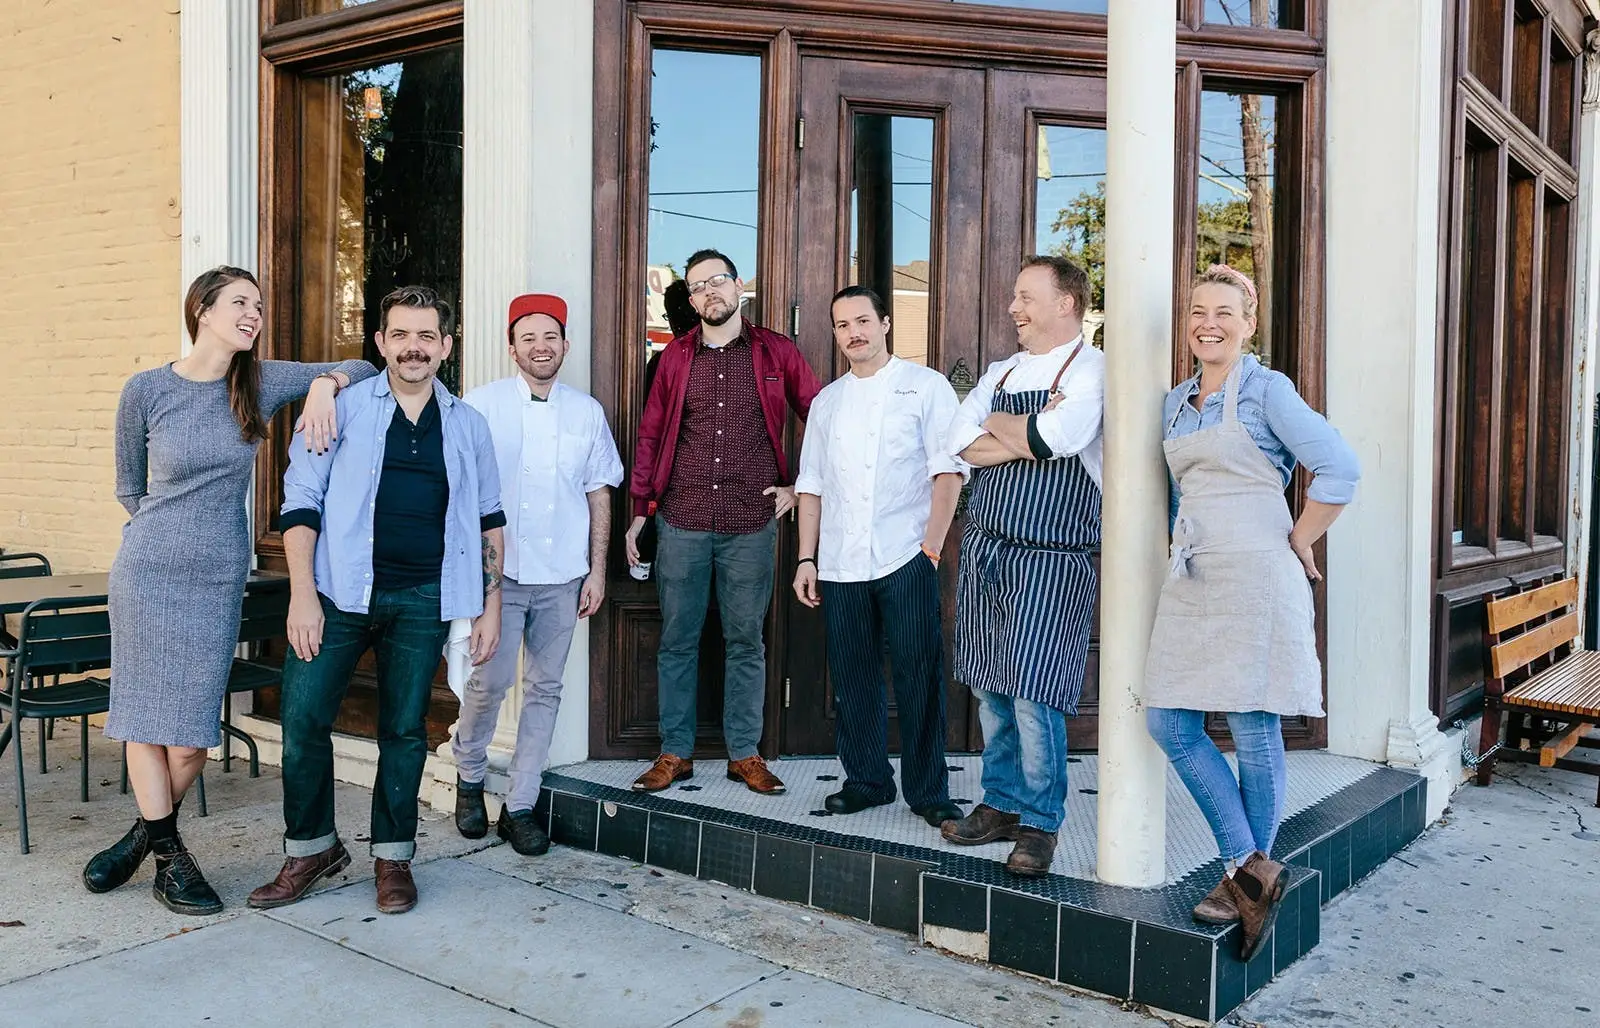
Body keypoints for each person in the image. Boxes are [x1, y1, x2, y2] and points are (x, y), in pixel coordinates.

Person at [86, 266, 375, 915]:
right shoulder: (146, 389)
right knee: (142, 719)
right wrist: (166, 538)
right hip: (148, 572)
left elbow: (364, 367)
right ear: (204, 310)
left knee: (189, 737)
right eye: (241, 302)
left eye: (259, 305)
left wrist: (326, 385)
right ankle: (172, 864)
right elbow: (128, 486)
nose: (255, 313)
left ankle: (141, 842)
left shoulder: (259, 382)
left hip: (218, 580)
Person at [247, 285, 504, 915]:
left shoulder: (469, 425)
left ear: (446, 346)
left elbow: (489, 516)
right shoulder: (340, 408)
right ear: (381, 342)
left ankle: (393, 857)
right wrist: (302, 596)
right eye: (400, 335)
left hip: (424, 598)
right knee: (304, 720)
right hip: (337, 595)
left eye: (426, 336)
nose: (412, 347)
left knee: (403, 730)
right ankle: (311, 847)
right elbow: (300, 504)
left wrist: (490, 605)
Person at [1143, 264, 1358, 960]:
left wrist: (1299, 537)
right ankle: (1251, 867)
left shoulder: (1268, 390)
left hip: (1259, 573)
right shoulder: (1176, 401)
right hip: (1196, 574)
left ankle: (1241, 879)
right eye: (1198, 311)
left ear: (1249, 322)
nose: (1209, 322)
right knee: (1167, 718)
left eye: (1224, 312)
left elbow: (1340, 469)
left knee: (1252, 722)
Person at [624, 248, 821, 795]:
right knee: (678, 640)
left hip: (752, 519)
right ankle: (674, 753)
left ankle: (745, 754)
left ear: (738, 288)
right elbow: (650, 435)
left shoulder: (776, 352)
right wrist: (641, 512)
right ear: (691, 300)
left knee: (744, 641)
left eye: (718, 281)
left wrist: (799, 487)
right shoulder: (673, 359)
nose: (710, 292)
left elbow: (823, 418)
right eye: (698, 287)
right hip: (683, 518)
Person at [940, 255, 1106, 878]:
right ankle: (1001, 803)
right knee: (990, 691)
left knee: (1037, 697)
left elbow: (1057, 441)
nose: (1013, 307)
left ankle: (1041, 823)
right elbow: (957, 439)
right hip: (986, 550)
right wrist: (1015, 428)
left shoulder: (1094, 370)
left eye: (1026, 296)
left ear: (1067, 303)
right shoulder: (1002, 371)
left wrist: (1005, 432)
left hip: (1053, 557)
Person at [452, 293, 623, 855]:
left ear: (565, 345)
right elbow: (461, 496)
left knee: (545, 689)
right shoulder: (478, 407)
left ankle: (521, 804)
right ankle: (470, 776)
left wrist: (597, 570)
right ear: (512, 347)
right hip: (498, 578)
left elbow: (598, 492)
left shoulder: (586, 411)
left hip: (563, 576)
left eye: (550, 336)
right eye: (528, 337)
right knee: (490, 683)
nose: (540, 347)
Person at [792, 286, 964, 827]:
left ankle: (928, 789)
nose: (854, 333)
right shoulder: (827, 401)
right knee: (853, 676)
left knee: (919, 674)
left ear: (885, 323)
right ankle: (866, 780)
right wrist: (806, 558)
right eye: (843, 325)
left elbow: (949, 470)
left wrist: (931, 547)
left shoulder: (925, 387)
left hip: (905, 557)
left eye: (863, 321)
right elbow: (812, 484)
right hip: (842, 563)